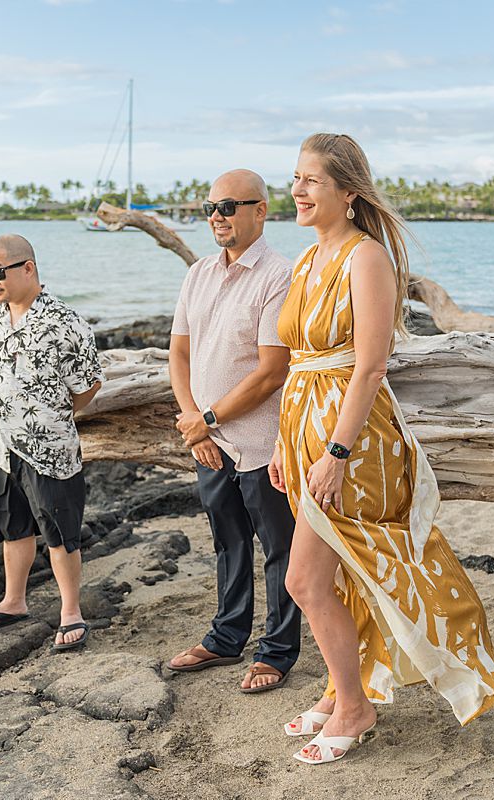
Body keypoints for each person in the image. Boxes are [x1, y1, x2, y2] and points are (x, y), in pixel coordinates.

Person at [272, 133, 494, 765]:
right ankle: (338, 689)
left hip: (354, 441)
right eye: (294, 177)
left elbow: (370, 366)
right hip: (304, 432)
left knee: (308, 578)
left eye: (311, 180)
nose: (296, 189)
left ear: (348, 193)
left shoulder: (364, 258)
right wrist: (284, 443)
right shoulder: (306, 259)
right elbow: (299, 363)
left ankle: (355, 705)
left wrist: (337, 453)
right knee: (336, 575)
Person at [166, 169, 302, 692]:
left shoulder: (279, 275)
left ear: (260, 210)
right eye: (210, 208)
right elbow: (179, 352)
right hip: (208, 442)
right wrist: (194, 425)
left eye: (228, 207)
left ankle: (277, 651)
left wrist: (210, 418)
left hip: (264, 444)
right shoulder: (197, 273)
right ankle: (226, 638)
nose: (217, 217)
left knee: (279, 548)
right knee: (228, 544)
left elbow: (271, 370)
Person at [0, 234, 104, 651]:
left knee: (60, 531)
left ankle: (70, 611)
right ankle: (14, 600)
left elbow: (88, 385)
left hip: (50, 447)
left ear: (28, 268)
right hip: (0, 446)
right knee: (12, 526)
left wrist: (50, 414)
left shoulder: (66, 321)